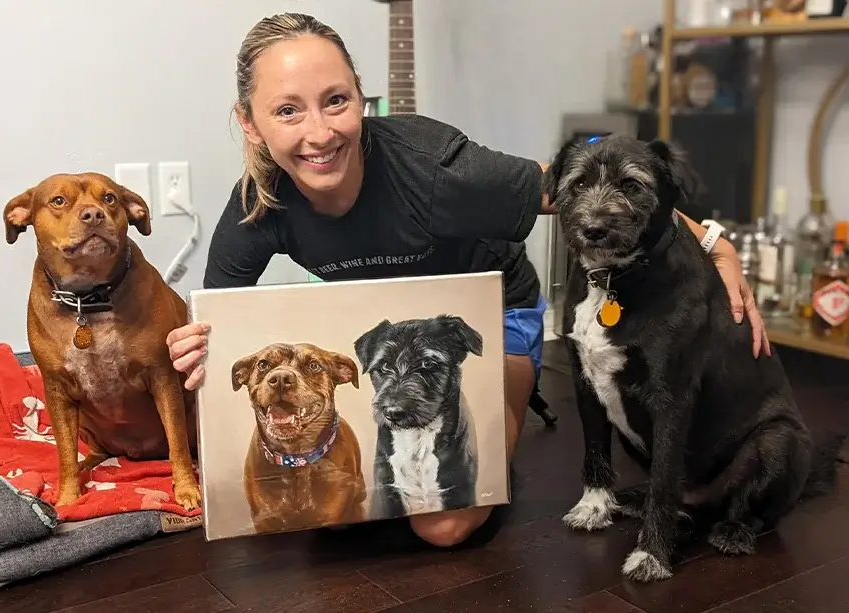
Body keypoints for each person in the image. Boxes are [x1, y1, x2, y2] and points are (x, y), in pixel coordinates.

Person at [166, 12, 771, 548]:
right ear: (250, 123)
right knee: (340, 517)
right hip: (395, 350)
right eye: (288, 110)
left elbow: (580, 180)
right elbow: (216, 315)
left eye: (337, 101)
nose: (320, 132)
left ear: (362, 101)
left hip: (491, 317)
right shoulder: (258, 203)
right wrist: (193, 345)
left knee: (444, 527)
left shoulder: (436, 169)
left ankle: (498, 443)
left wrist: (714, 242)